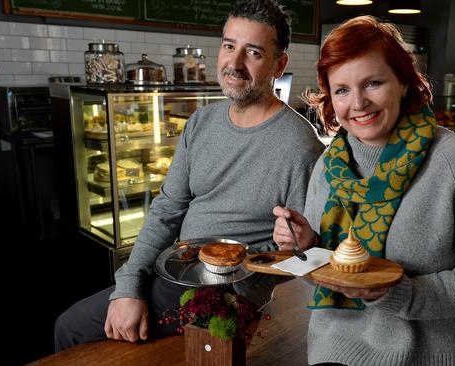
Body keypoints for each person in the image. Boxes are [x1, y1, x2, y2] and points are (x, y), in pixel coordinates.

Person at [54, 0, 324, 351]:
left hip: (220, 293)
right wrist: (129, 286)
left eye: (253, 52)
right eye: (229, 46)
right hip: (174, 268)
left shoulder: (300, 145)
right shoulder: (201, 122)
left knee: (69, 328)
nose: (234, 63)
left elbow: (299, 254)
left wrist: (237, 294)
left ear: (279, 64)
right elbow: (166, 211)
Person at [272, 16, 455, 365]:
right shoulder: (329, 168)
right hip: (334, 353)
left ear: (403, 81)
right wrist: (309, 244)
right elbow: (326, 280)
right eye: (341, 90)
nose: (357, 103)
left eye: (373, 83)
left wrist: (397, 293)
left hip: (429, 357)